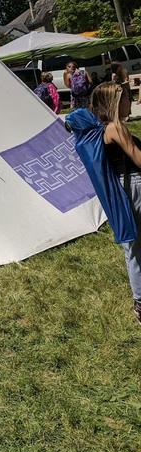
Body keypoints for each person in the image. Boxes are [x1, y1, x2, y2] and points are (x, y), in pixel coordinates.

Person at [67, 83, 141, 324]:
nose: (131, 101)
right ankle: (139, 302)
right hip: (134, 187)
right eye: (127, 98)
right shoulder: (115, 129)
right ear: (115, 103)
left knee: (134, 248)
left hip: (126, 188)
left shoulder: (103, 129)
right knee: (134, 249)